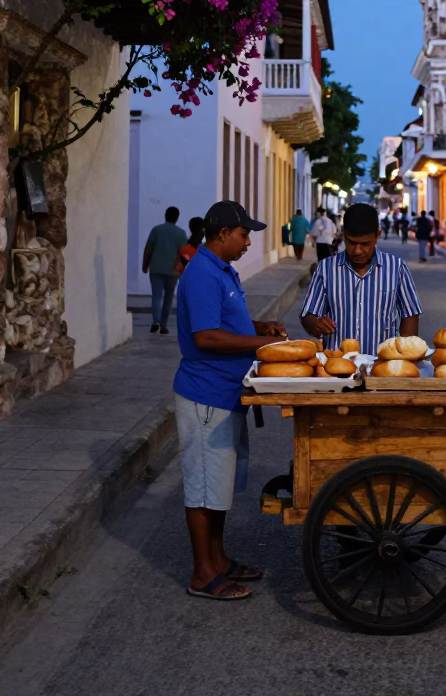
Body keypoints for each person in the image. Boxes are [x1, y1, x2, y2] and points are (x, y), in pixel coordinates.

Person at [173, 200, 288, 601]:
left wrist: (260, 326)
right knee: (204, 488)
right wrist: (262, 343)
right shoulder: (202, 273)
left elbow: (225, 321)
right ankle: (203, 574)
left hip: (226, 392)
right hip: (206, 395)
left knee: (218, 485)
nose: (247, 241)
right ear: (223, 234)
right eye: (244, 234)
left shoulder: (222, 271)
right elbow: (206, 337)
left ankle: (218, 560)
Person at [300, 202, 422, 353]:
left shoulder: (397, 268)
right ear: (343, 234)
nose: (357, 251)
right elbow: (308, 315)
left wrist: (405, 356)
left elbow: (410, 315)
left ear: (377, 236)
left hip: (380, 367)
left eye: (365, 244)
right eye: (351, 243)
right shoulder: (324, 269)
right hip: (337, 366)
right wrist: (316, 323)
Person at [142, 206, 188, 335]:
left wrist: (145, 264)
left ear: (165, 215)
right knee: (168, 298)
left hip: (156, 267)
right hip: (172, 270)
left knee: (156, 296)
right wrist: (181, 269)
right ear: (177, 218)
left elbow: (148, 248)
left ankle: (156, 321)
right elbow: (183, 253)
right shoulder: (180, 233)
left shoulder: (156, 230)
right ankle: (163, 324)